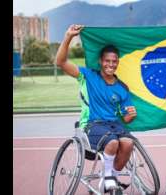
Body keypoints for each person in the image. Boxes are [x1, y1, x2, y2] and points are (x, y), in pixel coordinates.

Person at [56, 24, 137, 190]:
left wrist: (131, 115)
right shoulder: (88, 76)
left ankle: (110, 175)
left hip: (114, 125)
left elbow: (126, 118)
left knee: (128, 143)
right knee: (113, 142)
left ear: (118, 63)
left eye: (114, 61)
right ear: (101, 61)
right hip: (93, 124)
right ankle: (108, 178)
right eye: (107, 61)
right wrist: (69, 37)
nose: (111, 64)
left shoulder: (122, 88)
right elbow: (61, 62)